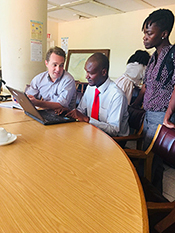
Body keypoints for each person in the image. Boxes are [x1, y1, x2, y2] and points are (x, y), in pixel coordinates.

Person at [132, 9, 175, 192]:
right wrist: (135, 104)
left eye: (149, 33)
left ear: (164, 34)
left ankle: (152, 194)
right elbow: (146, 85)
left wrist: (168, 115)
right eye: (144, 33)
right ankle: (143, 189)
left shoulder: (172, 55)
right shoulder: (152, 57)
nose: (145, 37)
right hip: (149, 113)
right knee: (148, 156)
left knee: (154, 159)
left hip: (162, 114)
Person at [65, 52, 129, 138]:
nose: (86, 77)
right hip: (91, 133)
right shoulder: (91, 87)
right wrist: (67, 112)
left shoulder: (117, 96)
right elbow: (81, 110)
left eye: (91, 73)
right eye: (86, 72)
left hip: (112, 140)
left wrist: (87, 119)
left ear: (103, 72)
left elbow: (114, 130)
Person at [25, 46, 76, 114]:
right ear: (46, 63)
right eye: (55, 65)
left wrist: (37, 103)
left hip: (64, 117)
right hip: (46, 114)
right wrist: (23, 98)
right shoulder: (39, 79)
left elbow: (61, 105)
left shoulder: (68, 80)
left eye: (61, 65)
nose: (58, 69)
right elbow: (29, 96)